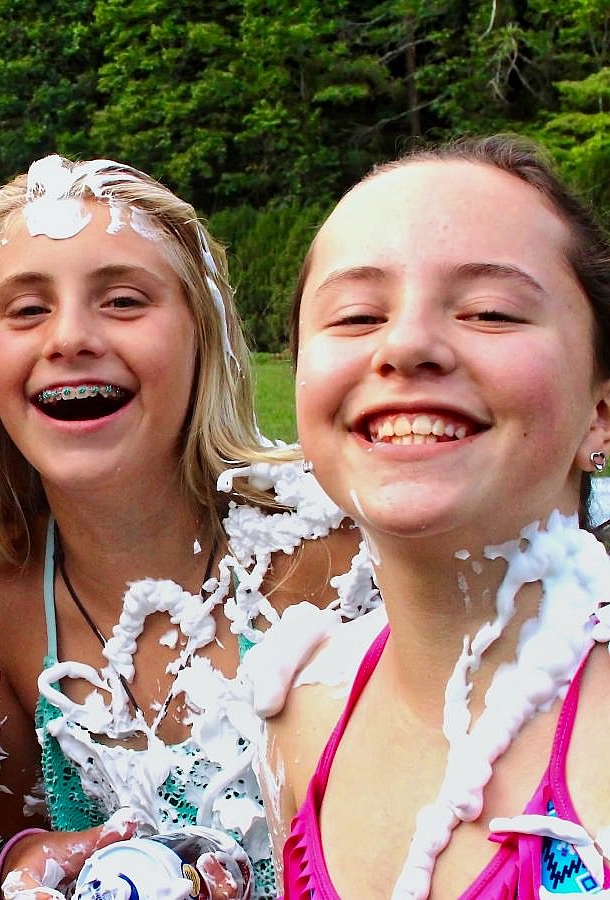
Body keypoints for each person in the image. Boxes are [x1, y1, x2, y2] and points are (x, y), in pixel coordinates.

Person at [0, 155, 374, 899]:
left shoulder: (332, 546)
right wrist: (19, 871)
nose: (70, 338)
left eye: (123, 300)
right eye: (27, 309)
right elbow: (24, 845)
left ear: (201, 342)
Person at [257, 135, 610, 898]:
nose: (407, 344)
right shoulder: (301, 713)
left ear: (601, 412)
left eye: (490, 311)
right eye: (355, 316)